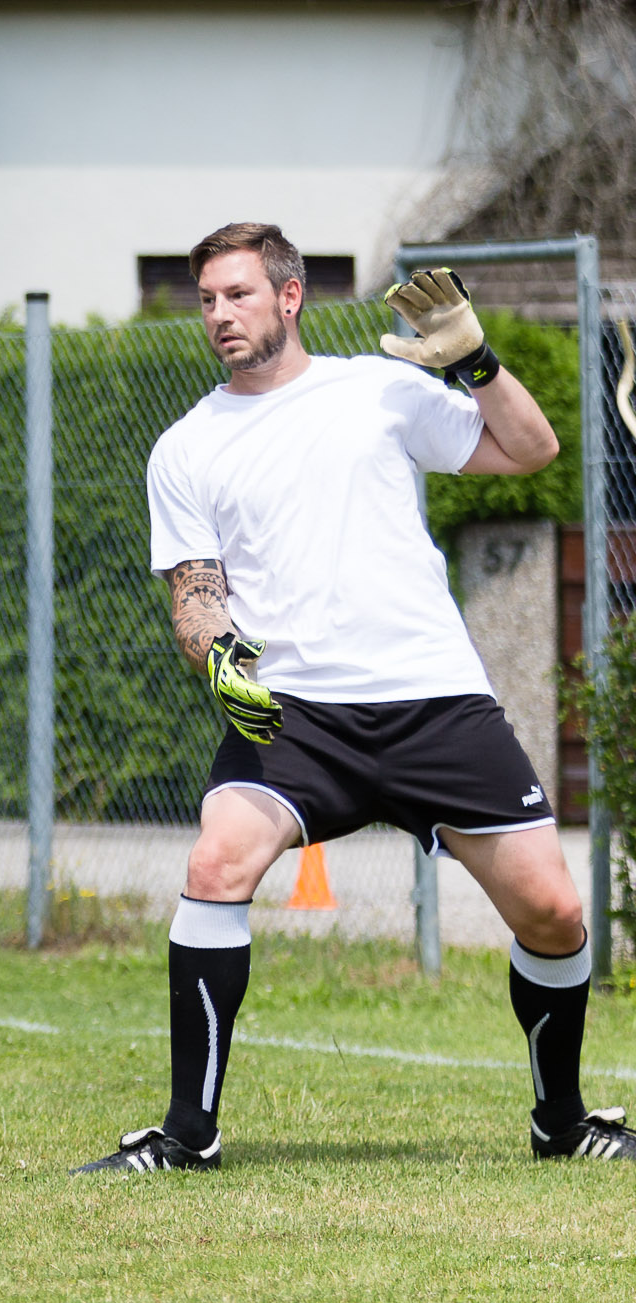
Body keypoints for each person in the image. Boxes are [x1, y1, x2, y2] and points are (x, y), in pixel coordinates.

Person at [76, 222, 633, 1173]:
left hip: (434, 701)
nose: (218, 315)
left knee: (552, 910)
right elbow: (196, 590)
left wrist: (478, 362)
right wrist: (215, 657)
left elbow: (531, 449)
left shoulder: (378, 389)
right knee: (216, 863)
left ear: (289, 298)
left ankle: (563, 1122)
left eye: (238, 294)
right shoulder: (185, 447)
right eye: (207, 298)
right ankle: (185, 1135)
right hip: (296, 716)